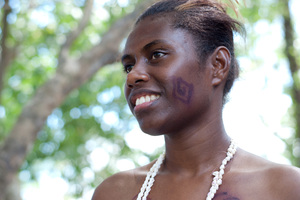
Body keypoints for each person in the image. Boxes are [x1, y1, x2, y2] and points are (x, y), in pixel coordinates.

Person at [92, 0, 300, 199]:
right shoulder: (113, 193)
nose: (132, 75)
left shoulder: (285, 188)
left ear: (217, 65)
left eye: (157, 54)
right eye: (128, 66)